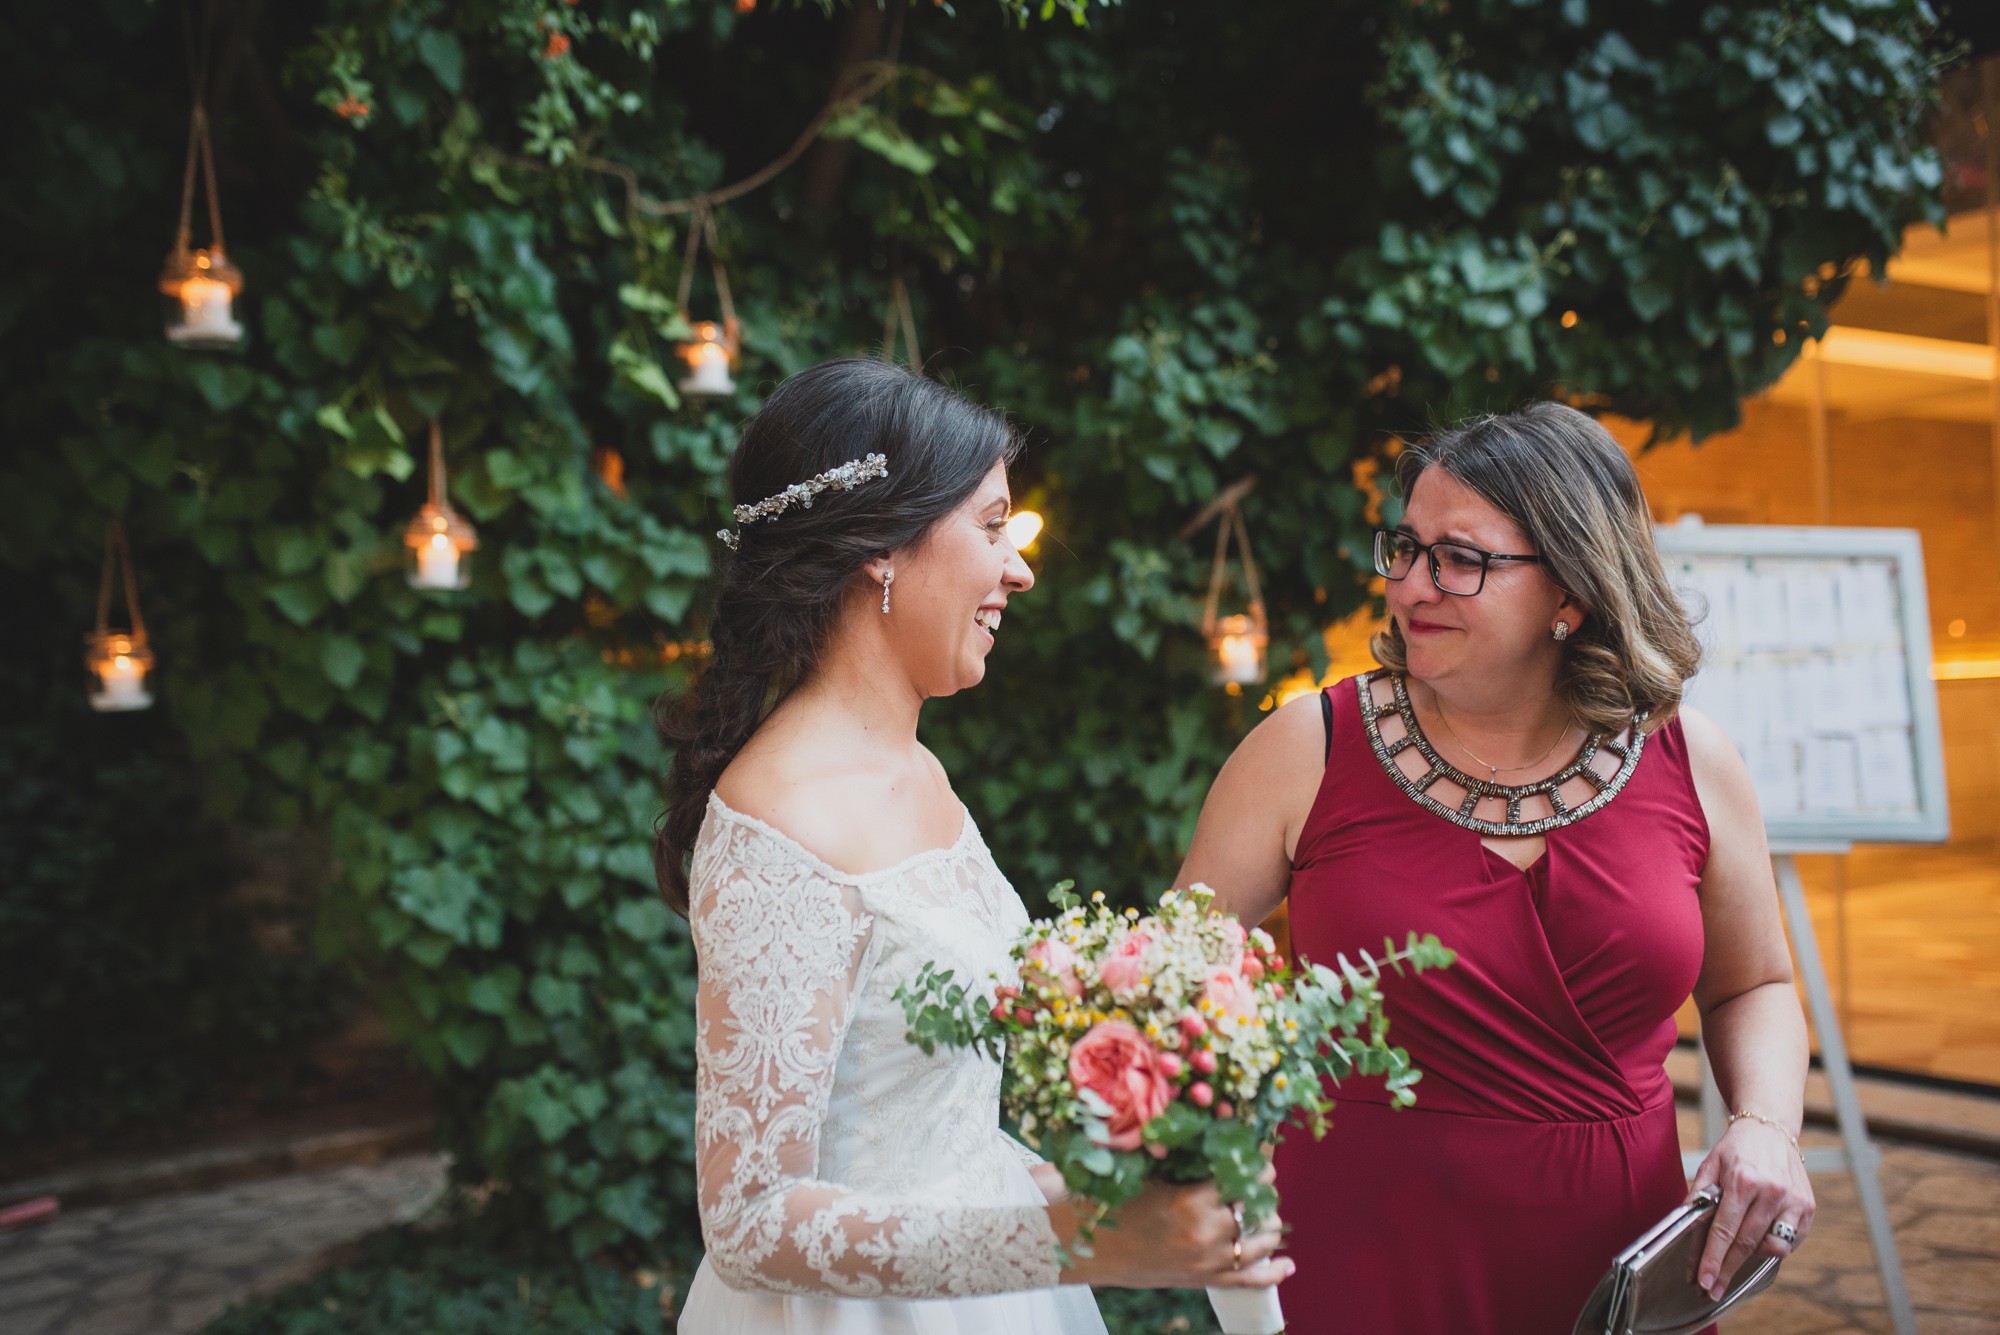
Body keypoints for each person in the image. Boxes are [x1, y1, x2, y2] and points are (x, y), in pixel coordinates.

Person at [655, 359, 1292, 1334]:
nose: (1018, 567)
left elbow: (938, 1136)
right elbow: (746, 1220)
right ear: (881, 548)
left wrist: (1135, 1184)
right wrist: (1086, 1244)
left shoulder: (920, 775)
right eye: (992, 526)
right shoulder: (779, 826)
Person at [1176, 402, 1816, 1334]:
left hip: (1615, 1256)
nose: (1411, 586)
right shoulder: (1306, 746)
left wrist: (1765, 1124)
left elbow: (1753, 982)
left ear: (1572, 589)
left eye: (1461, 559)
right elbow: (1167, 979)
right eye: (1405, 547)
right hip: (1359, 1252)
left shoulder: (1694, 758)